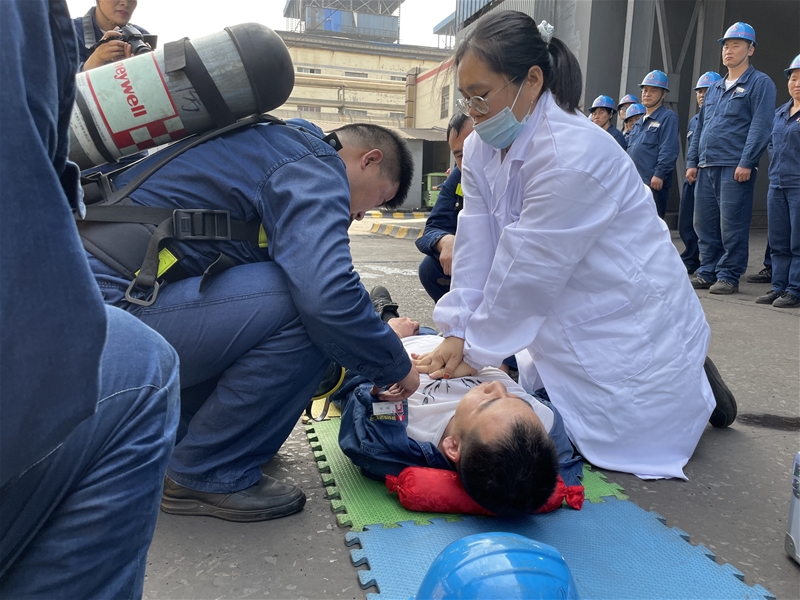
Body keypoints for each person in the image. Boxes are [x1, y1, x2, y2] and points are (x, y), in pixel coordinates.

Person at [414, 11, 736, 481]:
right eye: (467, 98)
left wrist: (475, 350)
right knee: (549, 405)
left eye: (481, 96)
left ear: (532, 81)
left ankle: (693, 386)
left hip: (619, 305)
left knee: (618, 437)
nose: (474, 111)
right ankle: (692, 383)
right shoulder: (482, 145)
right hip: (561, 294)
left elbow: (527, 268)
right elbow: (477, 238)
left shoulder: (572, 154)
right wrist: (457, 328)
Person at [83, 119, 420, 522]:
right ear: (369, 159)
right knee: (303, 303)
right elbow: (326, 296)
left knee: (298, 299)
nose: (360, 215)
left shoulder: (269, 145)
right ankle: (207, 472)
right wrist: (393, 364)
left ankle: (191, 444)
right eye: (376, 200)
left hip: (87, 317)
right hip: (105, 324)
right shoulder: (313, 164)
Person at [0, 1, 179, 596]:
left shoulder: (144, 41)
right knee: (143, 366)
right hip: (96, 229)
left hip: (107, 215)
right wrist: (86, 74)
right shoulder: (51, 29)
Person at [335, 290, 582, 516]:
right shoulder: (544, 425)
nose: (497, 386)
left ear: (452, 447)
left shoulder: (402, 433)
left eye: (487, 402)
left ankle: (385, 316)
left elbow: (353, 384)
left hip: (400, 345)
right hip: (452, 344)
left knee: (344, 320)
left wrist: (391, 339)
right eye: (517, 399)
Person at [686, 22, 777, 295]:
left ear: (750, 50)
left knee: (732, 225)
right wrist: (692, 162)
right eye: (726, 45)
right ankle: (707, 271)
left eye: (736, 45)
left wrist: (747, 161)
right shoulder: (714, 87)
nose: (728, 50)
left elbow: (760, 125)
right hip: (706, 165)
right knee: (704, 223)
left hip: (734, 166)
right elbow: (701, 126)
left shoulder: (760, 83)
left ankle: (728, 275)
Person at [756, 55, 800, 308]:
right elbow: (771, 144)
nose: (797, 84)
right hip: (777, 184)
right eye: (793, 78)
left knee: (798, 241)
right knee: (779, 240)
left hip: (798, 185)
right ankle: (779, 287)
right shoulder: (781, 113)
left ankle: (795, 289)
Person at [416, 114, 474, 302]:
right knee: (430, 268)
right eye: (460, 155)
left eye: (475, 148)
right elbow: (432, 228)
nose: (469, 161)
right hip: (472, 260)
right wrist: (445, 240)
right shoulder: (458, 177)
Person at [679, 71, 723, 274]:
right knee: (688, 221)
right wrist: (690, 165)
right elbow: (692, 146)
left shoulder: (721, 119)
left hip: (711, 174)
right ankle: (691, 257)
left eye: (707, 91)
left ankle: (714, 264)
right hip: (693, 174)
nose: (702, 95)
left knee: (711, 223)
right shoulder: (695, 120)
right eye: (699, 91)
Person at [626, 70, 680, 219]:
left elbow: (668, 148)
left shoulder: (667, 117)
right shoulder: (639, 122)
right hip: (634, 183)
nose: (647, 94)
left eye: (653, 90)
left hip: (652, 184)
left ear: (664, 94)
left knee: (650, 224)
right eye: (644, 90)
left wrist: (659, 174)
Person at [73, 0, 150, 72]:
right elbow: (67, 80)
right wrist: (97, 59)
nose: (125, 3)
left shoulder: (142, 36)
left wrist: (143, 69)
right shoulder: (70, 33)